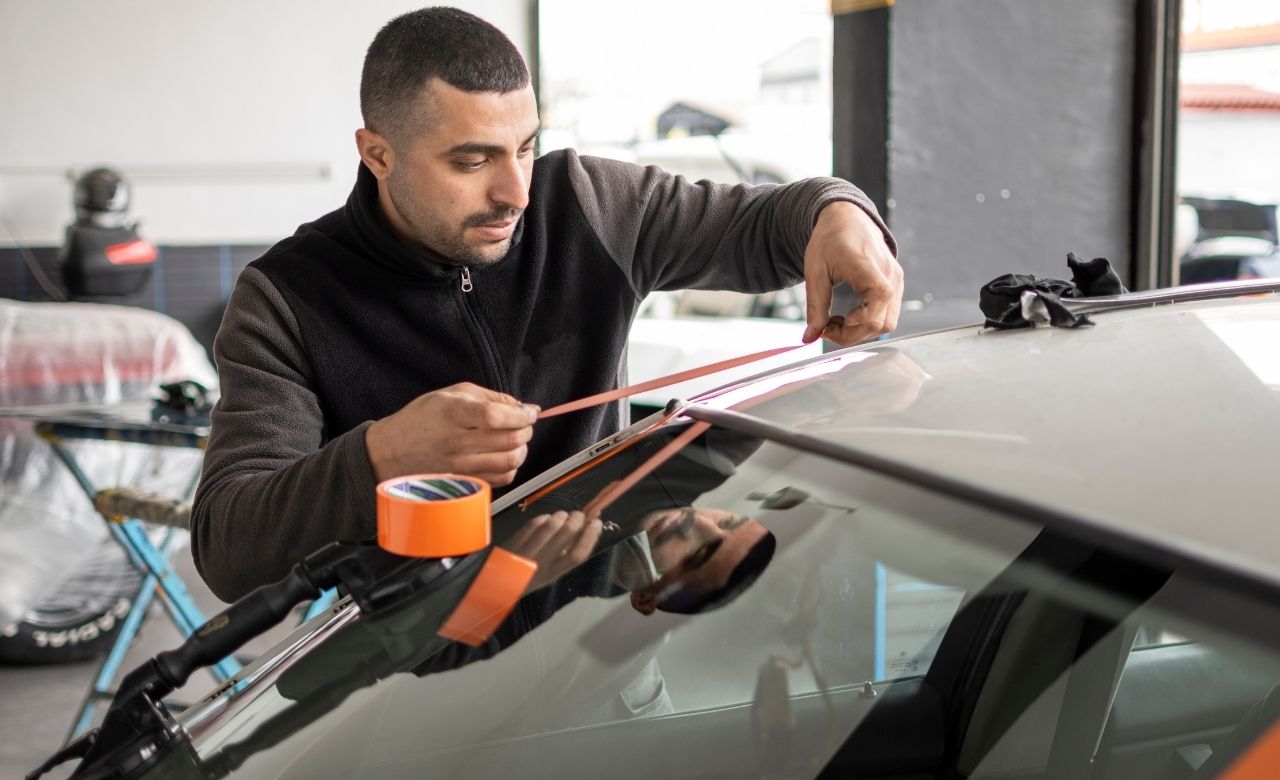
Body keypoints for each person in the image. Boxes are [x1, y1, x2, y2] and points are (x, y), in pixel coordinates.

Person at [192, 6, 901, 602]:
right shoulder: (286, 298)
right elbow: (228, 546)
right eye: (472, 161)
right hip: (410, 689)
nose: (517, 194)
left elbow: (771, 222)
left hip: (598, 647)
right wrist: (382, 454)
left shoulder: (589, 205)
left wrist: (839, 213)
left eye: (525, 148)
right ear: (378, 155)